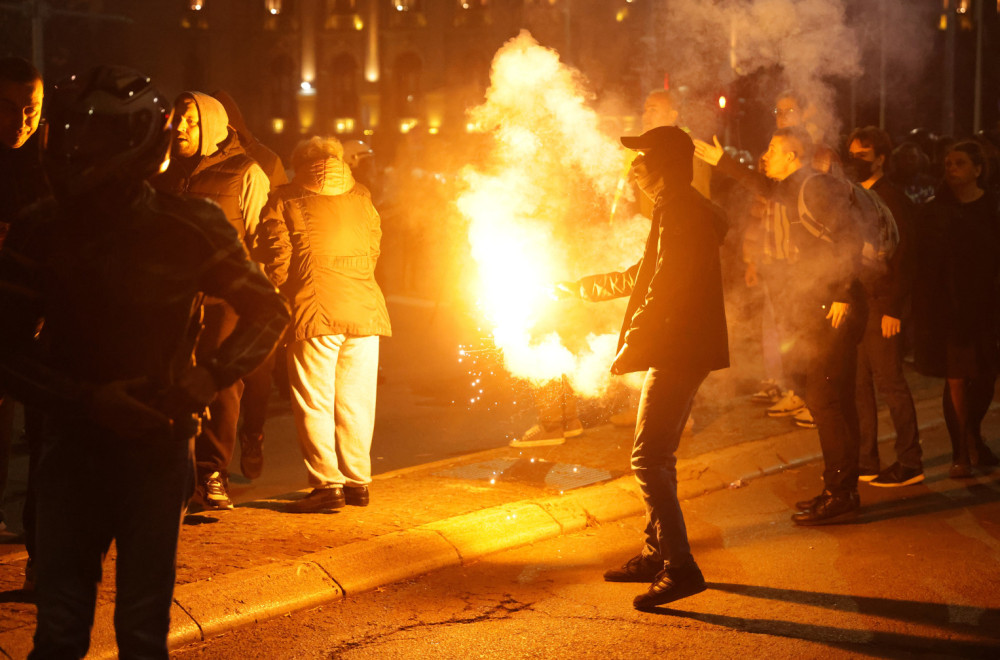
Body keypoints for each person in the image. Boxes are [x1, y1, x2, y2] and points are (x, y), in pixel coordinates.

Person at [0, 65, 288, 659]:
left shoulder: (167, 225)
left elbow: (267, 311)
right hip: (105, 442)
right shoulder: (53, 228)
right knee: (115, 629)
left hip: (126, 443)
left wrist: (202, 380)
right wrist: (195, 383)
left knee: (93, 628)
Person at [558, 126, 728, 608]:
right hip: (682, 345)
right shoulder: (678, 205)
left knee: (647, 459)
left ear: (665, 164)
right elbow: (643, 274)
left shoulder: (679, 208)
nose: (632, 166)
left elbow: (663, 287)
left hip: (680, 347)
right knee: (658, 458)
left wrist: (634, 342)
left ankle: (681, 567)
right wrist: (579, 288)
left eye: (641, 157)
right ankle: (657, 553)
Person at [698, 126, 867, 524]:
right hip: (819, 304)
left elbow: (849, 238)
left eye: (773, 149)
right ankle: (840, 489)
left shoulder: (814, 187)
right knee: (831, 399)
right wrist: (723, 162)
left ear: (793, 157)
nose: (766, 154)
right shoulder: (795, 186)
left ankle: (841, 493)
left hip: (834, 306)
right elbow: (766, 188)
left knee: (828, 400)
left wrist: (843, 292)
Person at [256, 137, 391, 512]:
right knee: (356, 401)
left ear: (300, 165)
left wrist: (275, 290)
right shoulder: (361, 195)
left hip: (315, 308)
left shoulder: (283, 198)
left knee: (314, 400)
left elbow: (277, 255)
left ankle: (327, 486)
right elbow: (375, 246)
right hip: (365, 308)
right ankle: (357, 482)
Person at [152, 91, 271, 510]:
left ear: (212, 125)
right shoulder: (163, 170)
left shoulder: (246, 173)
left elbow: (260, 239)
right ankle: (173, 473)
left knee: (221, 385)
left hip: (223, 302)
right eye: (176, 119)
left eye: (190, 121)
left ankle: (212, 472)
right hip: (172, 299)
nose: (179, 128)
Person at [212, 89, 288, 481]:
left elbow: (277, 221)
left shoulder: (263, 161)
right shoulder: (188, 160)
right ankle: (210, 463)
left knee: (257, 372)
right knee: (220, 377)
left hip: (255, 284)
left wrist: (272, 280)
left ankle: (252, 434)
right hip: (213, 288)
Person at [913, 141, 1000, 478]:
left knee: (984, 379)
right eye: (947, 163)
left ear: (978, 169)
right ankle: (960, 451)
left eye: (959, 163)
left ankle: (974, 435)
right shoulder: (935, 212)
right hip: (950, 310)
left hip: (987, 309)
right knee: (956, 381)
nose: (951, 169)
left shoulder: (992, 209)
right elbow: (926, 266)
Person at [844, 127, 923, 487]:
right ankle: (866, 460)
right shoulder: (861, 195)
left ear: (880, 158)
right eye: (852, 154)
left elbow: (905, 259)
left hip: (882, 304)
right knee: (860, 383)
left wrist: (893, 308)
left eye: (863, 155)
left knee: (891, 383)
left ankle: (910, 461)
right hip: (864, 301)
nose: (854, 161)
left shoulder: (889, 198)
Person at [0, 56, 47, 557]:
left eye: (30, 108)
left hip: (41, 331)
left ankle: (42, 551)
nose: (20, 121)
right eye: (8, 108)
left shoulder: (51, 164)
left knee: (47, 443)